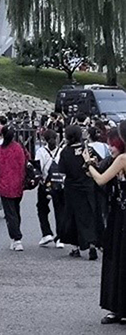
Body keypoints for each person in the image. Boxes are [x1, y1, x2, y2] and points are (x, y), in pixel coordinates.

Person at [84, 121, 126, 324]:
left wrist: (90, 165)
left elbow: (101, 180)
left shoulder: (123, 159)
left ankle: (117, 307)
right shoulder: (117, 159)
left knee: (116, 258)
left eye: (113, 143)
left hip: (121, 216)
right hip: (119, 213)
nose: (110, 147)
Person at [59, 124, 100, 260]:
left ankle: (76, 247)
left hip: (72, 187)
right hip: (88, 185)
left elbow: (62, 169)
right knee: (89, 215)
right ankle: (92, 244)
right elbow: (98, 163)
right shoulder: (87, 149)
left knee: (72, 216)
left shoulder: (66, 151)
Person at [0, 125, 27, 251]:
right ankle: (16, 236)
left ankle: (16, 238)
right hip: (19, 183)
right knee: (16, 210)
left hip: (4, 184)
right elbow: (27, 160)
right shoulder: (19, 148)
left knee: (10, 213)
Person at [35, 129, 64, 247]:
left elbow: (38, 167)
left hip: (45, 183)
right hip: (59, 183)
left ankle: (46, 233)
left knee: (42, 208)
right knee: (60, 210)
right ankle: (60, 237)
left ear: (44, 139)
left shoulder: (41, 151)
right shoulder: (61, 151)